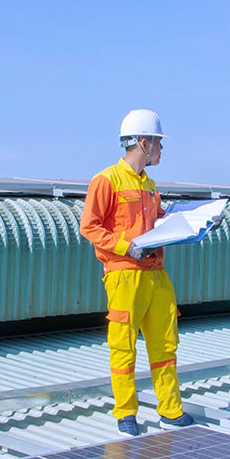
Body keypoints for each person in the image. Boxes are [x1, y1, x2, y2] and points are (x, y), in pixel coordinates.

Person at [79, 109, 195, 436]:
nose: (161, 149)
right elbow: (89, 227)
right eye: (158, 143)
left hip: (156, 274)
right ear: (143, 143)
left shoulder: (150, 185)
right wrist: (125, 247)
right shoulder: (106, 181)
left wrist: (197, 224)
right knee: (123, 346)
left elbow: (159, 224)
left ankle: (170, 410)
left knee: (164, 344)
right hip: (124, 275)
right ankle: (126, 412)